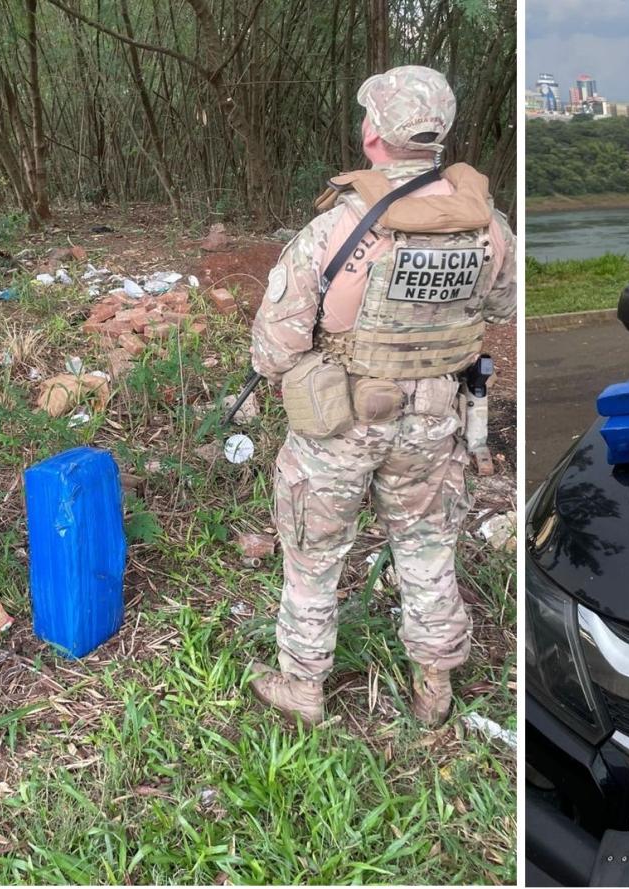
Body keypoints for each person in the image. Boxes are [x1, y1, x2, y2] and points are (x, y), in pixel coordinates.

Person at [248, 65, 516, 727]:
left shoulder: (338, 226)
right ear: (435, 138)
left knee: (313, 554)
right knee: (427, 547)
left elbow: (275, 348)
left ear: (374, 136)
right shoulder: (487, 226)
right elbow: (505, 306)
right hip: (436, 417)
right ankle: (435, 689)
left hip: (341, 417)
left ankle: (303, 687)